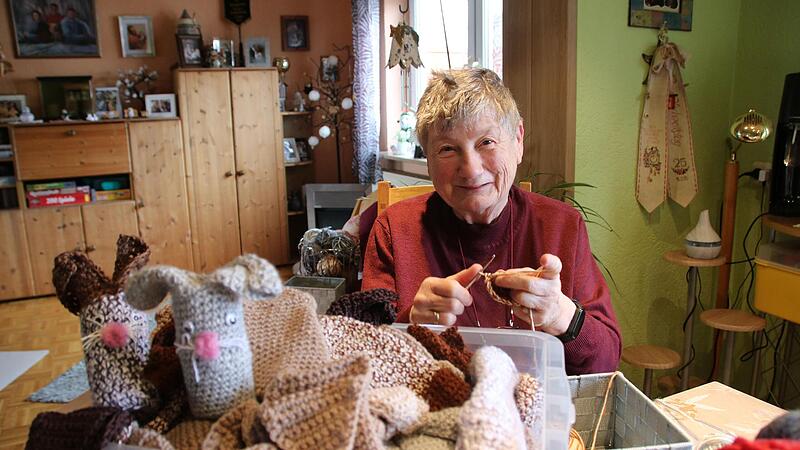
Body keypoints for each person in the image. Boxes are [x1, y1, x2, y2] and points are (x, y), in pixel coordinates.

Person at [361, 68, 621, 375]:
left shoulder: (562, 226)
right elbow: (362, 358)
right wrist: (410, 324)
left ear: (518, 140)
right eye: (447, 149)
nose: (471, 170)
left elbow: (606, 361)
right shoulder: (395, 229)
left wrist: (560, 315)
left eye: (486, 142)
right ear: (428, 159)